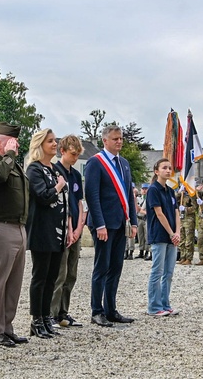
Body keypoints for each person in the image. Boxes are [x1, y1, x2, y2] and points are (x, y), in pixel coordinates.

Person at [83, 124, 138, 327]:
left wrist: (132, 220)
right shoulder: (95, 163)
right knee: (102, 267)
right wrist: (99, 224)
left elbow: (129, 196)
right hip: (103, 224)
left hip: (120, 222)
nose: (119, 141)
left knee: (116, 267)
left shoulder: (123, 164)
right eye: (115, 139)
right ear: (105, 141)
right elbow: (92, 195)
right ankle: (97, 310)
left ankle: (111, 309)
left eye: (121, 138)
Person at [0, 122, 30, 348]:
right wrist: (8, 154)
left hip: (19, 227)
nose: (17, 146)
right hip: (1, 228)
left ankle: (7, 327)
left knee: (14, 283)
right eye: (13, 142)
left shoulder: (15, 165)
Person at [24, 128, 69, 339]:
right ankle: (36, 319)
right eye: (50, 141)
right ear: (40, 144)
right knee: (40, 276)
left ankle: (46, 317)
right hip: (42, 230)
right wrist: (59, 187)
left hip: (58, 230)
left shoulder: (54, 170)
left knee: (52, 276)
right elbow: (43, 196)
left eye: (55, 141)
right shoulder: (35, 169)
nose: (54, 144)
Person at [52, 135, 87, 328]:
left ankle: (64, 311)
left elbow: (79, 202)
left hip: (76, 229)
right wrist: (70, 229)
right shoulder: (55, 171)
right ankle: (52, 313)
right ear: (63, 151)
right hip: (63, 229)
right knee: (60, 273)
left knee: (71, 273)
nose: (75, 158)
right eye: (73, 154)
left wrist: (80, 226)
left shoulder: (75, 174)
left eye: (78, 155)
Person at [146, 159, 180, 316]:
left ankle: (165, 303)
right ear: (156, 171)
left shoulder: (171, 191)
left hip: (172, 236)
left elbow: (176, 212)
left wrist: (177, 232)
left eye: (169, 168)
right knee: (157, 271)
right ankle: (154, 306)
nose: (168, 170)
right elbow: (159, 213)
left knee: (169, 272)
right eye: (164, 168)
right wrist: (171, 233)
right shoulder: (153, 190)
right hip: (160, 234)